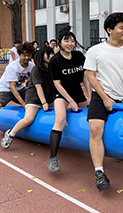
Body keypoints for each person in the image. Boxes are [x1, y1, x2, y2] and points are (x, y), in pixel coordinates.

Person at [84, 12, 123, 192]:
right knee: (96, 129)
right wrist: (105, 98)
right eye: (122, 27)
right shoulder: (96, 50)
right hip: (100, 96)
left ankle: (122, 153)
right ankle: (99, 172)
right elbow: (90, 74)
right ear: (109, 30)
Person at [47, 26, 91, 172]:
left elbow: (85, 77)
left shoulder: (79, 56)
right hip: (61, 93)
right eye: (67, 41)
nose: (70, 44)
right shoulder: (56, 60)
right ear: (59, 43)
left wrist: (89, 96)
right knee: (60, 120)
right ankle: (52, 158)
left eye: (72, 41)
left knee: (91, 116)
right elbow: (57, 84)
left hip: (77, 91)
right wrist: (70, 101)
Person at [1, 46, 55, 149]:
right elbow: (38, 87)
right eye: (49, 53)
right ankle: (11, 134)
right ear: (41, 56)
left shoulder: (53, 68)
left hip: (48, 97)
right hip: (34, 98)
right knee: (28, 119)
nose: (51, 55)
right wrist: (43, 103)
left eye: (52, 53)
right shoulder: (36, 69)